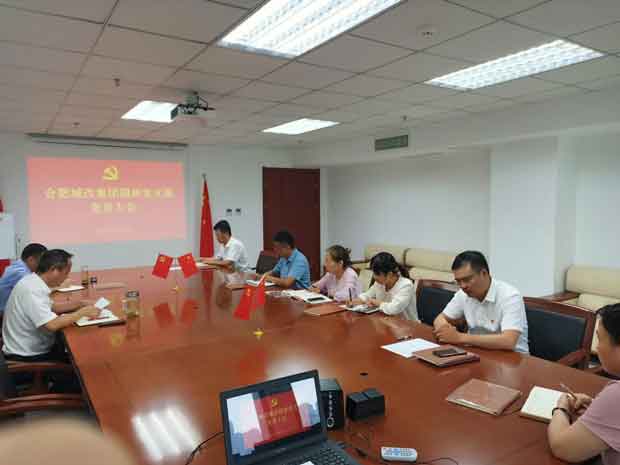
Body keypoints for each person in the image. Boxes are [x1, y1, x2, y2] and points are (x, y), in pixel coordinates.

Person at [548, 303, 620, 465]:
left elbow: (562, 448)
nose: (597, 347)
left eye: (600, 339)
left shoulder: (616, 395)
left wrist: (561, 408)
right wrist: (597, 407)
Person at [2, 249, 100, 362]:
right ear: (54, 270)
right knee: (85, 357)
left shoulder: (33, 281)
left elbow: (52, 307)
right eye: (66, 273)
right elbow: (52, 325)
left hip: (27, 346)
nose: (67, 277)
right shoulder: (32, 290)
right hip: (28, 355)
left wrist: (80, 304)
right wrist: (82, 313)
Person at [433, 251, 529, 353]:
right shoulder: (463, 294)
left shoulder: (510, 296)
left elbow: (508, 341)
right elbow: (440, 318)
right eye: (458, 281)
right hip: (478, 352)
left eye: (467, 279)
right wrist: (444, 330)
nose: (463, 286)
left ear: (484, 273)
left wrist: (459, 337)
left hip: (512, 357)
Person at [348, 252, 417, 320]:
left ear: (389, 274)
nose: (374, 277)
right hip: (386, 321)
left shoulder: (406, 285)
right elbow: (367, 295)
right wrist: (357, 300)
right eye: (373, 272)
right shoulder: (379, 283)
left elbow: (393, 309)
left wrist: (376, 302)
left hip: (406, 324)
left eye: (377, 274)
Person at [0, 243, 47, 315]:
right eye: (41, 262)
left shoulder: (20, 265)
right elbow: (36, 289)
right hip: (5, 312)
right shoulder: (20, 272)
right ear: (31, 260)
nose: (43, 266)